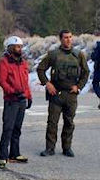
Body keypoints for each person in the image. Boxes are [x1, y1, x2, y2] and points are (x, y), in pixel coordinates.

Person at [37, 30, 89, 158]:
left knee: (69, 122)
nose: (68, 40)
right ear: (61, 39)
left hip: (71, 95)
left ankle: (67, 147)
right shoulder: (53, 54)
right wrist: (47, 84)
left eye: (70, 37)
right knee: (52, 122)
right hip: (56, 94)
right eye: (66, 37)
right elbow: (40, 69)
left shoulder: (79, 55)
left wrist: (79, 87)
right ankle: (50, 148)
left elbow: (86, 73)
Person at [0, 36, 32, 169]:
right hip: (11, 100)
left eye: (21, 47)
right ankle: (2, 156)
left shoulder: (22, 63)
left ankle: (14, 154)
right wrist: (11, 91)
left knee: (17, 128)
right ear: (11, 48)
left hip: (22, 99)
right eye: (17, 47)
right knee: (8, 128)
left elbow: (25, 80)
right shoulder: (4, 62)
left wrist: (29, 96)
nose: (20, 49)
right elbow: (2, 81)